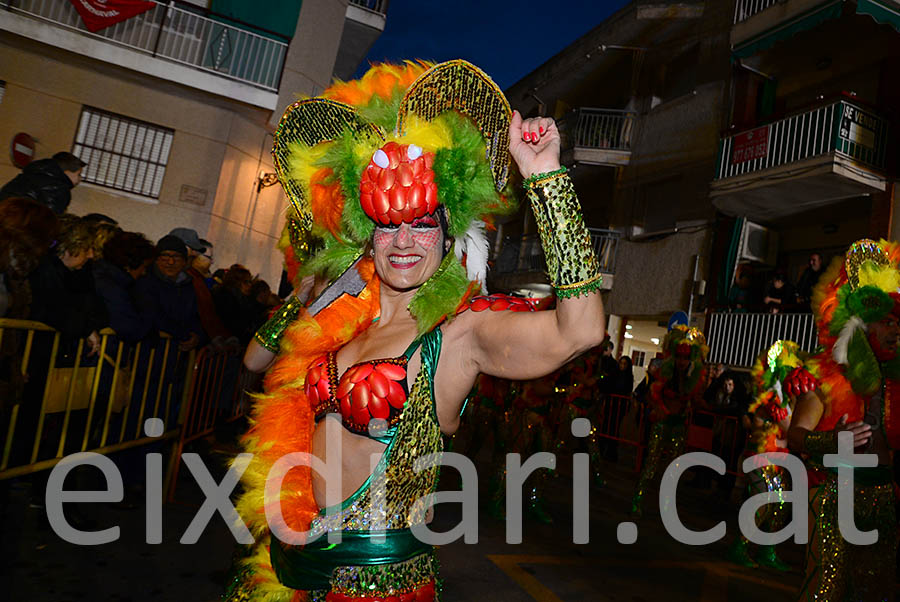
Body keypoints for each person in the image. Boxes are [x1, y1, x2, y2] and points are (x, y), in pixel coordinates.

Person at [227, 60, 606, 601]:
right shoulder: (340, 329)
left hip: (377, 588)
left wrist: (546, 178)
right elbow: (258, 367)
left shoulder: (458, 334)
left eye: (422, 223)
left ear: (447, 232)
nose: (403, 241)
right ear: (367, 235)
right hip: (287, 572)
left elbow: (581, 331)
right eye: (387, 224)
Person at [787, 239, 900, 601]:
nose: (895, 331)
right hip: (837, 495)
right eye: (886, 322)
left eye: (898, 322)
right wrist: (830, 443)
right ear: (860, 325)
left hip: (886, 500)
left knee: (875, 591)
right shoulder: (823, 376)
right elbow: (796, 437)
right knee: (826, 590)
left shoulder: (895, 383)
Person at [728, 340, 813, 572]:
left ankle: (768, 550)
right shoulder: (773, 399)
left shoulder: (787, 400)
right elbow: (790, 425)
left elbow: (790, 431)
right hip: (761, 459)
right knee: (762, 505)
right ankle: (740, 547)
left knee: (781, 505)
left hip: (780, 459)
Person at [630, 326, 708, 518]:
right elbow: (651, 395)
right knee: (651, 464)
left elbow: (695, 400)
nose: (682, 361)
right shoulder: (665, 373)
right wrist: (660, 409)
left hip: (678, 425)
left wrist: (699, 402)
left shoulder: (693, 377)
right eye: (680, 357)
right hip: (662, 423)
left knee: (674, 468)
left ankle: (667, 507)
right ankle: (637, 501)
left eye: (686, 358)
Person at [133, 235, 203, 352]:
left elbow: (195, 316)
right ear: (156, 259)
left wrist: (196, 336)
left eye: (176, 257)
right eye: (165, 256)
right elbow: (153, 314)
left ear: (185, 261)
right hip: (149, 350)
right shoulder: (145, 281)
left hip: (177, 353)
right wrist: (184, 335)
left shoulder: (188, 285)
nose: (171, 262)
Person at [93, 231, 157, 343]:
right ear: (130, 264)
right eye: (144, 267)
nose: (144, 272)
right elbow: (130, 328)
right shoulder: (112, 287)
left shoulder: (101, 275)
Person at [0, 151, 86, 214]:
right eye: (78, 174)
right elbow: (50, 219)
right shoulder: (59, 188)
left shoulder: (27, 175)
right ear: (67, 172)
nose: (79, 179)